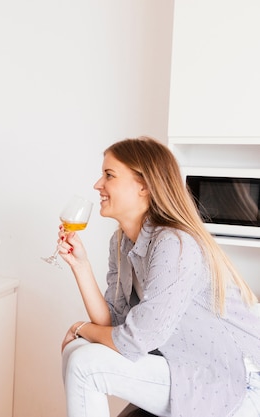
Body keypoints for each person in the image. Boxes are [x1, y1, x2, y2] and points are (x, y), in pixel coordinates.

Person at [58, 136, 260, 417]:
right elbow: (112, 325)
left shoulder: (174, 244)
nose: (97, 185)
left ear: (144, 186)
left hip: (237, 379)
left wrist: (81, 327)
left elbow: (132, 341)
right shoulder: (122, 242)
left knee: (84, 361)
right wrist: (79, 265)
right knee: (77, 352)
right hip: (188, 365)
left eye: (109, 175)